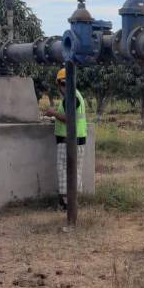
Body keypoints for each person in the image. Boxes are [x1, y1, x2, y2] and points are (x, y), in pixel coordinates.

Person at [44, 68, 87, 210]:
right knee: (74, 171)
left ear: (61, 83)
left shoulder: (71, 97)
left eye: (60, 84)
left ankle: (66, 205)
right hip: (77, 139)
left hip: (69, 140)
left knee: (64, 171)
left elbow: (69, 119)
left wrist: (53, 113)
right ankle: (69, 203)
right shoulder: (75, 96)